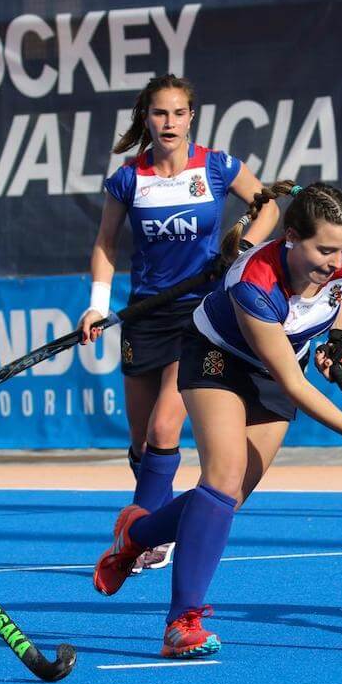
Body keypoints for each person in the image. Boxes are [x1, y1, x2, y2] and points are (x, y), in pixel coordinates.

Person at [92, 181, 342, 658]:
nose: (335, 261)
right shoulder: (253, 283)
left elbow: (341, 288)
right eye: (324, 249)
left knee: (227, 499)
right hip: (219, 358)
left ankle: (134, 535)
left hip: (280, 366)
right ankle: (181, 623)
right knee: (223, 475)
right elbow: (297, 387)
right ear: (291, 237)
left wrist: (339, 336)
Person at [78, 74, 277, 570]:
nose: (169, 122)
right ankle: (146, 520)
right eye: (159, 113)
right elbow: (106, 243)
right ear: (146, 118)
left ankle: (142, 537)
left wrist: (244, 251)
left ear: (192, 117)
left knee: (167, 427)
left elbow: (268, 204)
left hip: (201, 313)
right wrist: (98, 303)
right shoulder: (128, 177)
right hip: (145, 313)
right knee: (143, 441)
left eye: (178, 113)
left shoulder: (216, 166)